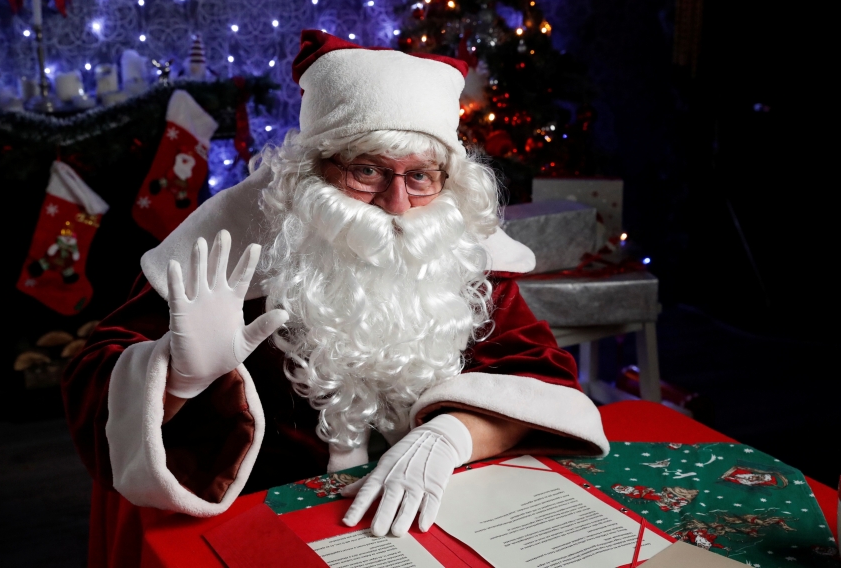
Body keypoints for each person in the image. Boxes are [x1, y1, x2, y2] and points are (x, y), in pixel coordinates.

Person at [62, 31, 608, 548]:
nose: (397, 204)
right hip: (264, 513)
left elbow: (538, 376)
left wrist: (452, 436)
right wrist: (177, 377)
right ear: (311, 170)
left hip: (426, 514)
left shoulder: (462, 256)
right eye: (368, 171)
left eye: (420, 176)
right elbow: (93, 383)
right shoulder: (225, 250)